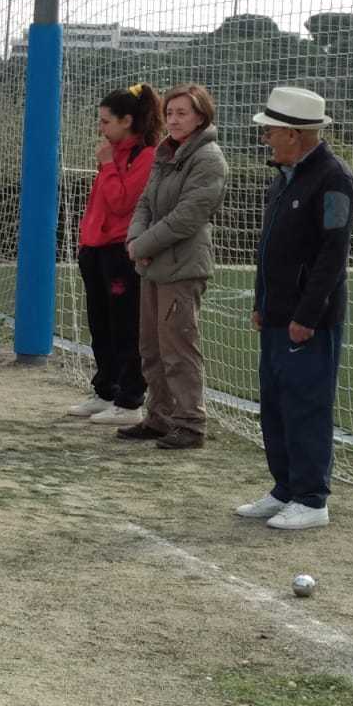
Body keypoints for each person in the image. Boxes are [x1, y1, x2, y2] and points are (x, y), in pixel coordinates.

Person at [236, 86, 353, 531]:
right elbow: (269, 249)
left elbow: (333, 254)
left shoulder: (334, 178)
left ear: (293, 133)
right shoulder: (283, 176)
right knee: (275, 404)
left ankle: (311, 498)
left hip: (308, 321)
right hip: (275, 314)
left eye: (270, 130)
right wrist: (261, 303)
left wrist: (307, 315)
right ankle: (284, 488)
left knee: (306, 404)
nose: (265, 137)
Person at [124, 83, 228, 450]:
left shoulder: (209, 159)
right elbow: (145, 203)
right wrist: (135, 240)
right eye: (169, 113)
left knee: (179, 349)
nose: (174, 119)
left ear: (201, 117)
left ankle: (190, 423)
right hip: (153, 265)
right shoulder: (165, 153)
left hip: (182, 268)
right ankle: (160, 417)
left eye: (182, 113)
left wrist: (143, 245)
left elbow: (187, 217)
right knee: (151, 348)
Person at [65, 83, 162, 429]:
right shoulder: (114, 153)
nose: (100, 128)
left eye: (106, 121)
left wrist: (107, 166)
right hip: (95, 249)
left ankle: (130, 399)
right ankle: (105, 390)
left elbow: (122, 202)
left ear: (127, 121)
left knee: (125, 327)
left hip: (120, 251)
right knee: (100, 325)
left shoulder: (146, 156)